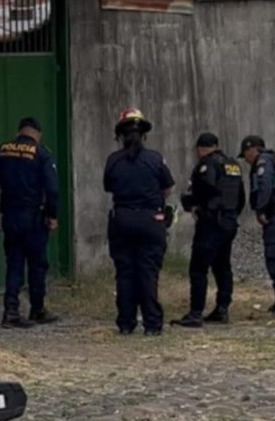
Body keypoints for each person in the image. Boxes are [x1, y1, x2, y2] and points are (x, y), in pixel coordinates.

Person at [102, 108, 175, 336]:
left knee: (124, 272)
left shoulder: (113, 160)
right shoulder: (155, 159)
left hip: (122, 219)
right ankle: (152, 324)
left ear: (120, 135)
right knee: (148, 271)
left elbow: (109, 186)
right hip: (150, 220)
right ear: (143, 135)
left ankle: (125, 323)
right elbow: (167, 187)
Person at [0, 116, 60, 328]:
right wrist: (52, 216)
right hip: (34, 217)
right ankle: (37, 309)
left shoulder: (1, 150)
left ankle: (10, 312)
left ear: (20, 131)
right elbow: (52, 189)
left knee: (14, 264)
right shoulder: (41, 154)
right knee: (37, 265)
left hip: (10, 215)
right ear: (36, 133)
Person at [172, 132, 246, 327]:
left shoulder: (207, 164)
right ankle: (222, 309)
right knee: (222, 267)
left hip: (211, 222)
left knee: (198, 268)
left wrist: (195, 206)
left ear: (199, 149)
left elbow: (203, 189)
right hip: (229, 222)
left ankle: (196, 312)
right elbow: (241, 196)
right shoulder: (233, 165)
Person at [238, 134, 275, 317]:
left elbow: (265, 185)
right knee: (273, 258)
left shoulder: (264, 161)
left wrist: (260, 209)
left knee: (274, 258)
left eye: (245, 154)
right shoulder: (273, 159)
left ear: (251, 149)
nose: (246, 160)